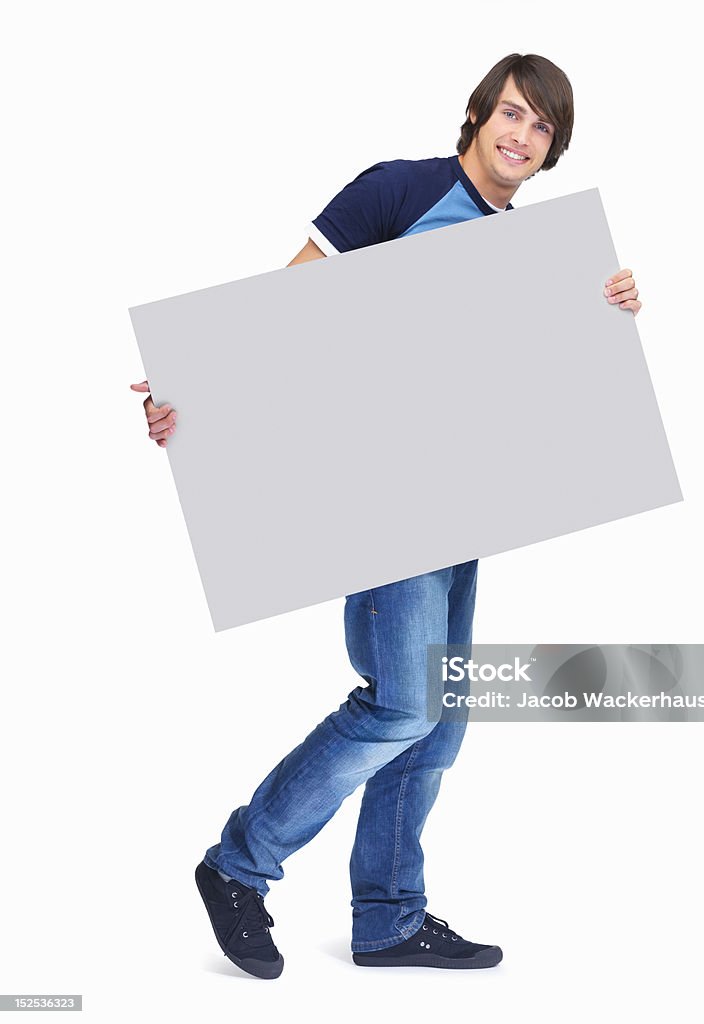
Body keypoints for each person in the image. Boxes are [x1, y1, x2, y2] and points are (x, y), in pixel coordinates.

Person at [130, 53, 642, 978]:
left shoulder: (532, 255)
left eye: (542, 126)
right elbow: (277, 309)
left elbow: (543, 386)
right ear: (480, 114)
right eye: (512, 114)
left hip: (463, 503)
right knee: (402, 704)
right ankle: (237, 866)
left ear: (553, 148)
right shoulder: (402, 191)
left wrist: (606, 307)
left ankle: (388, 918)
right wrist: (188, 395)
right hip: (379, 498)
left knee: (439, 718)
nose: (522, 136)